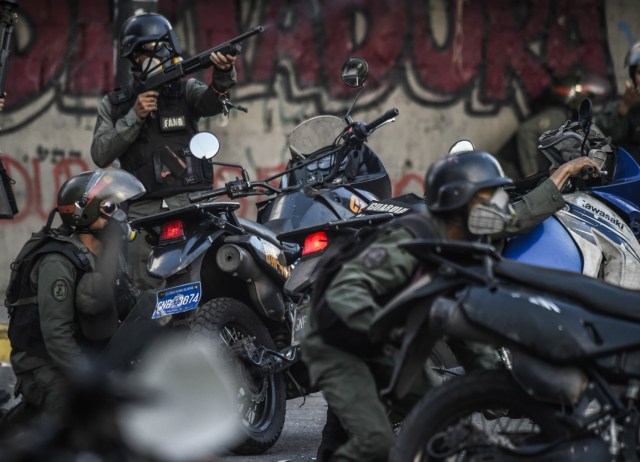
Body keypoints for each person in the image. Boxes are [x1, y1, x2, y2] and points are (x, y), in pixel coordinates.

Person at [300, 151, 601, 462]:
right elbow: (345, 296)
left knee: (441, 418)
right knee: (374, 442)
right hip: (338, 341)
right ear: (459, 202)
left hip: (392, 345)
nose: (496, 204)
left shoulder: (465, 248)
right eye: (486, 196)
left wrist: (500, 391)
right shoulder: (414, 238)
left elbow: (465, 331)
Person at [90, 12, 237, 289]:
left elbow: (213, 103)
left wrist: (223, 73)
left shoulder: (184, 91)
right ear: (136, 57)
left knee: (203, 282)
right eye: (154, 52)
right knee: (145, 291)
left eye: (166, 50)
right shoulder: (116, 104)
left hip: (191, 204)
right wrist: (135, 115)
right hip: (143, 215)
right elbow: (100, 153)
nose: (163, 57)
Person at [4, 168, 145, 418]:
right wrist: (93, 378)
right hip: (46, 364)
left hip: (91, 357)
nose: (120, 217)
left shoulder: (109, 257)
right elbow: (56, 337)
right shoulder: (58, 261)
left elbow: (130, 308)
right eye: (110, 209)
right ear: (84, 212)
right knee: (84, 424)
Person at [497, 72, 610, 179]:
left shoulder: (566, 117)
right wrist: (530, 172)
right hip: (506, 170)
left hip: (508, 171)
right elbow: (526, 131)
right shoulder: (559, 114)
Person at [597, 41, 640, 162]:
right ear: (633, 77)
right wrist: (624, 107)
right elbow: (601, 138)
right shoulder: (620, 107)